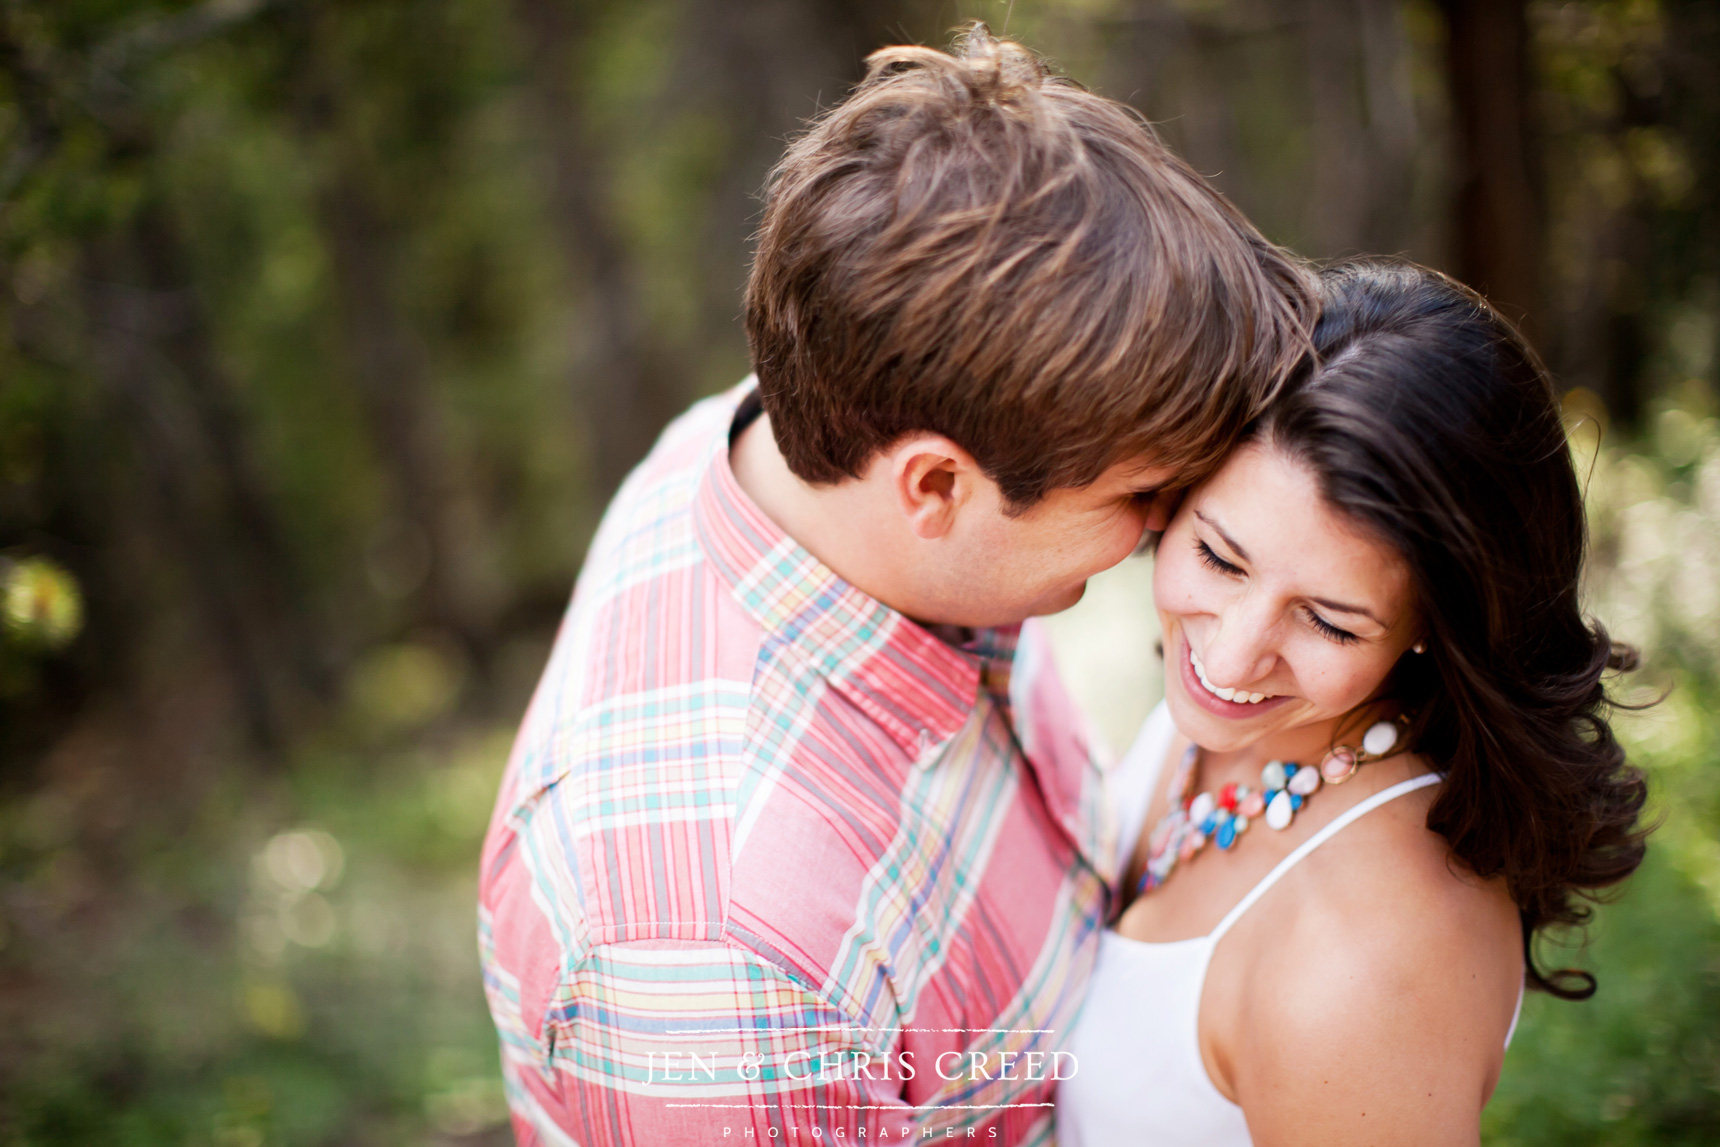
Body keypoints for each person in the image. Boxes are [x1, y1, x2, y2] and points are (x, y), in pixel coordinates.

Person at [477, 26, 1315, 1146]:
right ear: (934, 485)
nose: (1167, 530)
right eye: (1140, 493)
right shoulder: (721, 972)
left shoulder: (816, 447)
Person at [1057, 259, 1650, 1146]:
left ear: (1432, 627)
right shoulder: (1244, 720)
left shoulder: (1366, 968)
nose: (1228, 652)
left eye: (1328, 621)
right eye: (1220, 558)